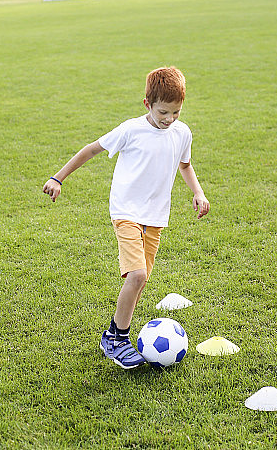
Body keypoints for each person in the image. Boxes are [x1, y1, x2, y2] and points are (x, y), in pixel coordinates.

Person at [43, 66, 210, 368]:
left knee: (140, 280)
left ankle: (112, 334)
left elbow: (185, 165)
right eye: (163, 112)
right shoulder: (131, 130)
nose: (169, 119)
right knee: (138, 275)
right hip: (126, 213)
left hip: (156, 217)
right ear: (148, 104)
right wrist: (58, 177)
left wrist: (198, 193)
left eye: (176, 112)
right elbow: (91, 150)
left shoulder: (182, 133)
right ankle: (117, 339)